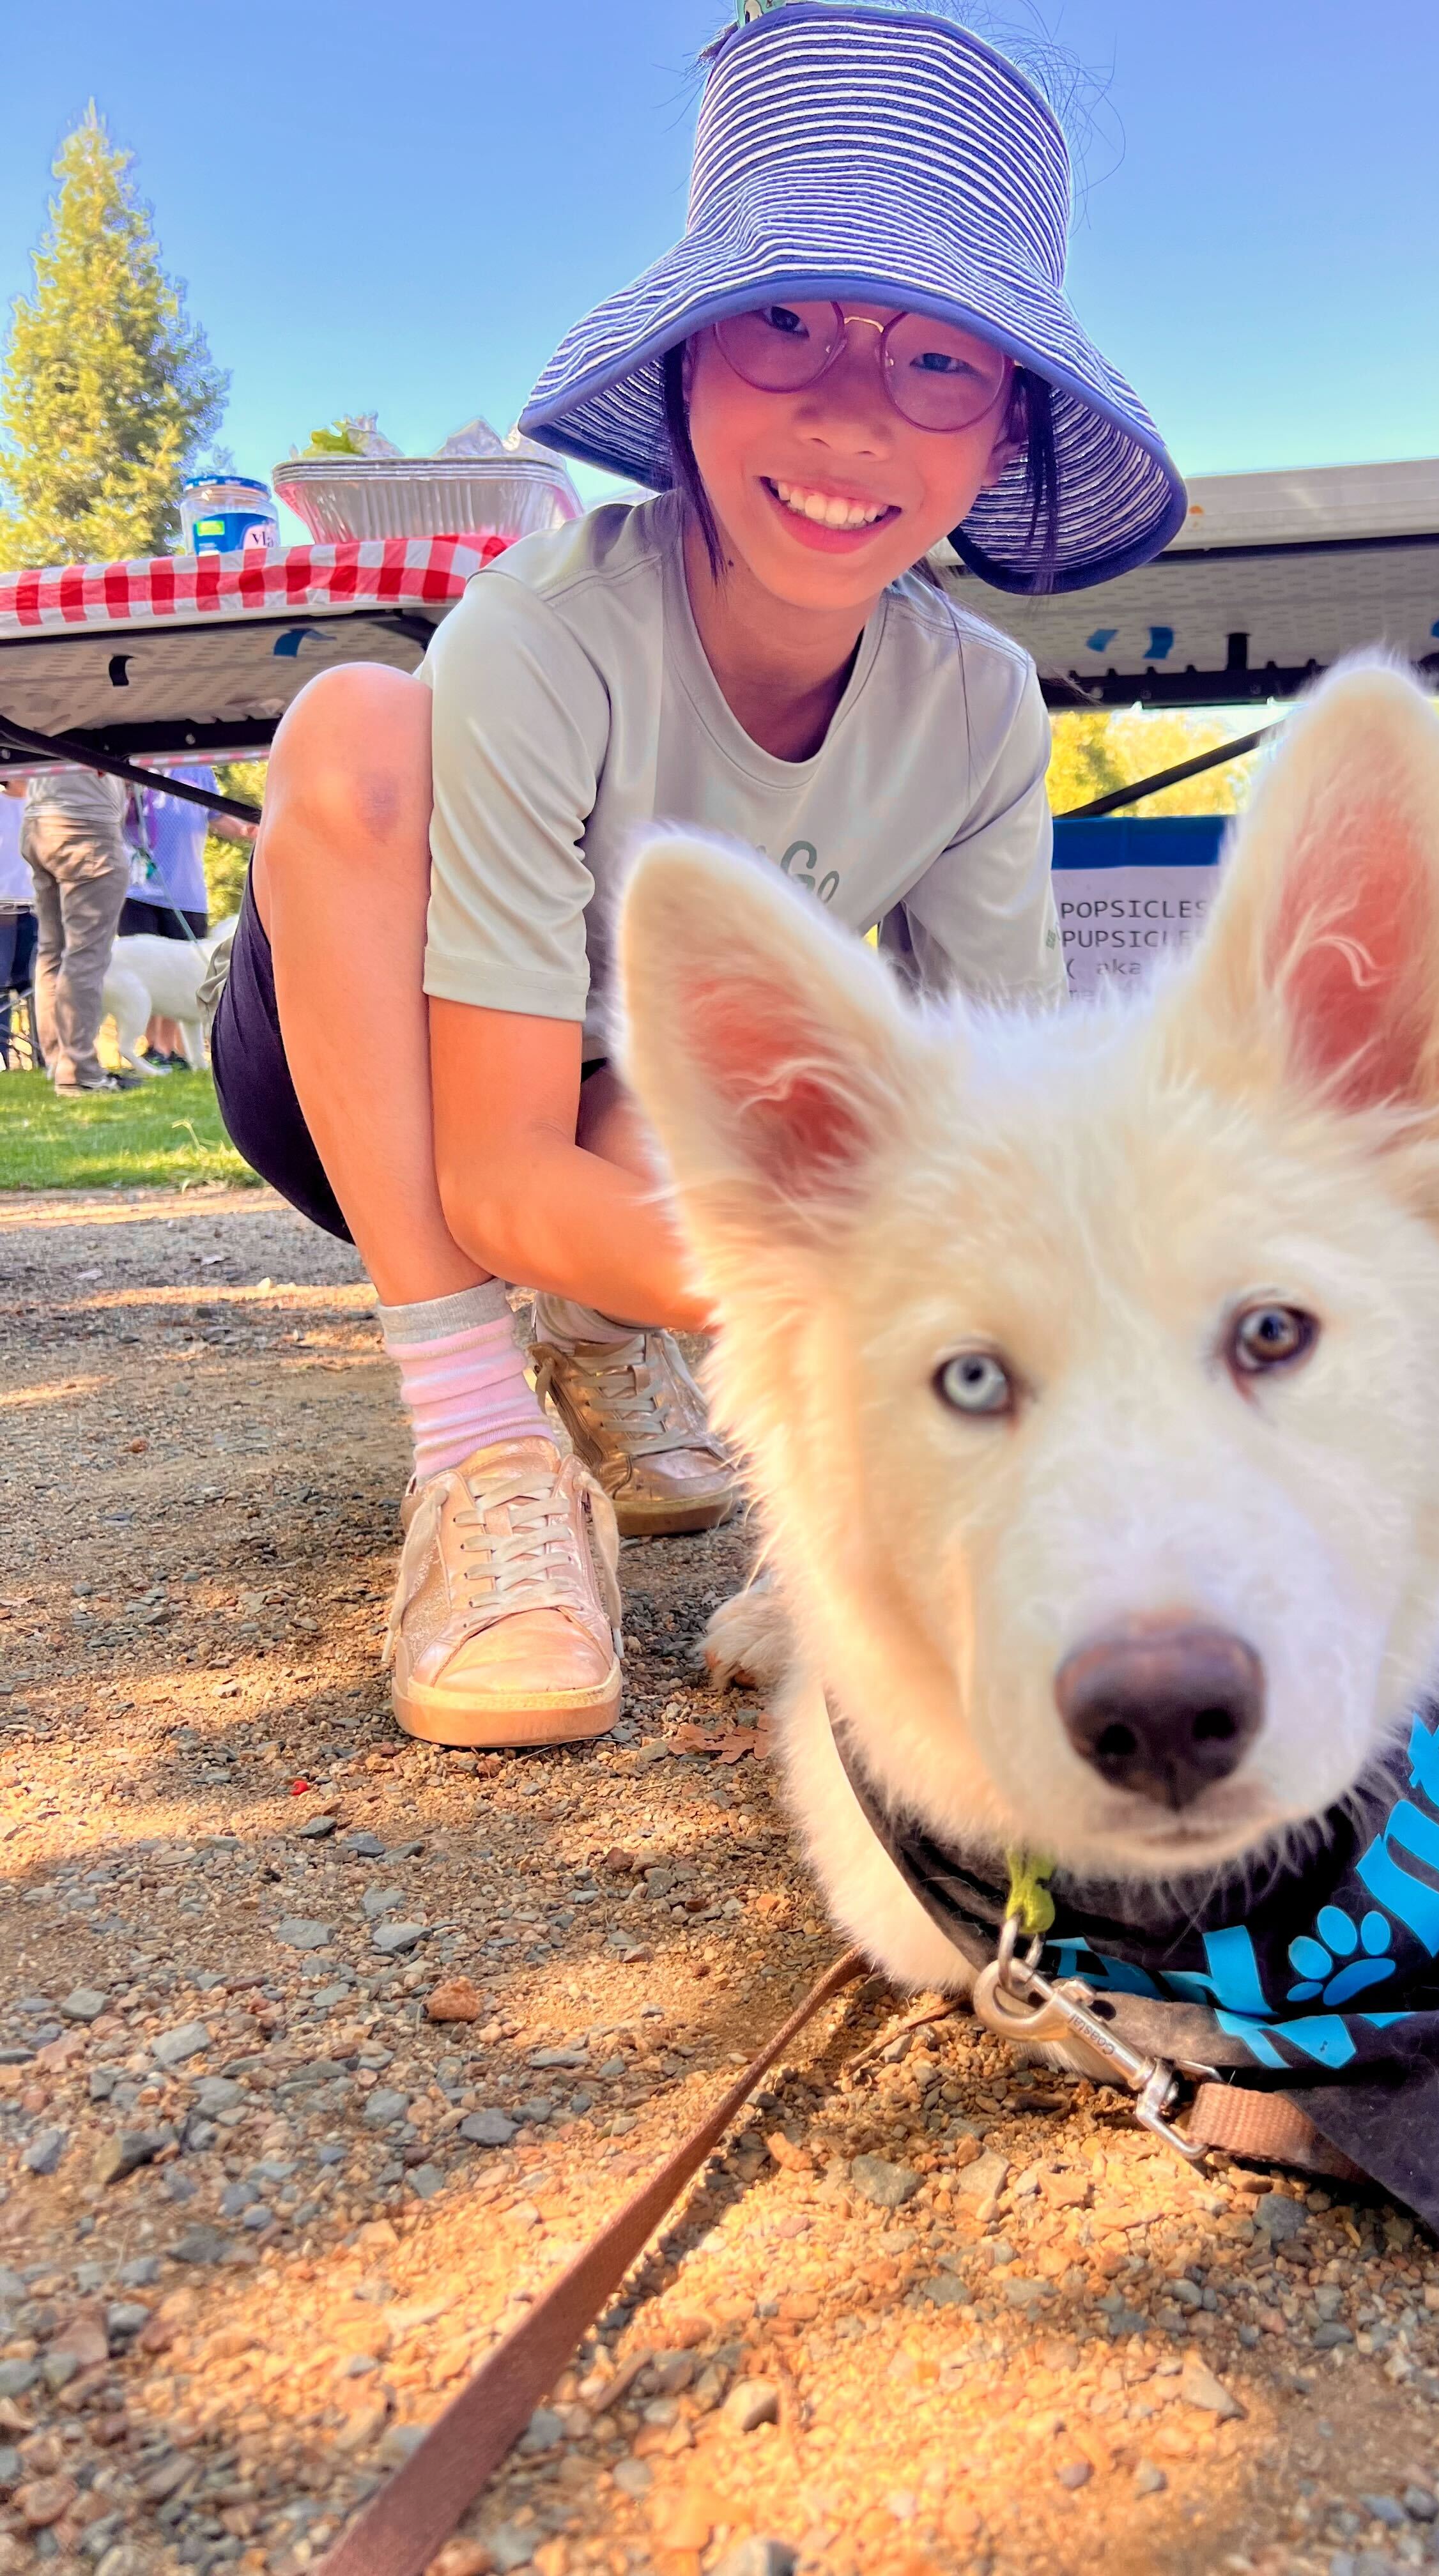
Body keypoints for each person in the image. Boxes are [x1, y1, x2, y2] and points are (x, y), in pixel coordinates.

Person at [210, 0, 1185, 1751]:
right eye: (786, 323)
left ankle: (642, 1362)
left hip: (633, 1103)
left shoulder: (975, 708)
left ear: (1002, 432)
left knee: (726, 1113)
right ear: (680, 367)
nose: (850, 416)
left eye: (940, 360)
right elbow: (505, 1165)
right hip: (371, 1067)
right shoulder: (553, 631)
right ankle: (481, 1441)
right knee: (358, 725)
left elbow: (1005, 1136)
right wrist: (887, 1305)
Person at [122, 762, 256, 1066]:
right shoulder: (131, 764)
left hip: (187, 893)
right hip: (137, 889)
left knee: (179, 976)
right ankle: (155, 1047)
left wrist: (253, 830)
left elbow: (218, 816)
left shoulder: (198, 770)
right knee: (148, 970)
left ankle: (167, 1050)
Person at [19, 760, 137, 1095]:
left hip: (39, 821)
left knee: (51, 951)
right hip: (86, 824)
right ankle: (80, 1070)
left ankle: (60, 1060)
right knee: (86, 953)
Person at [0, 781, 37, 1070]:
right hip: (2, 910)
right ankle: (3, 1058)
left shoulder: (44, 806)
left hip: (39, 907)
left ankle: (46, 1056)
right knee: (0, 988)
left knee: (38, 986)